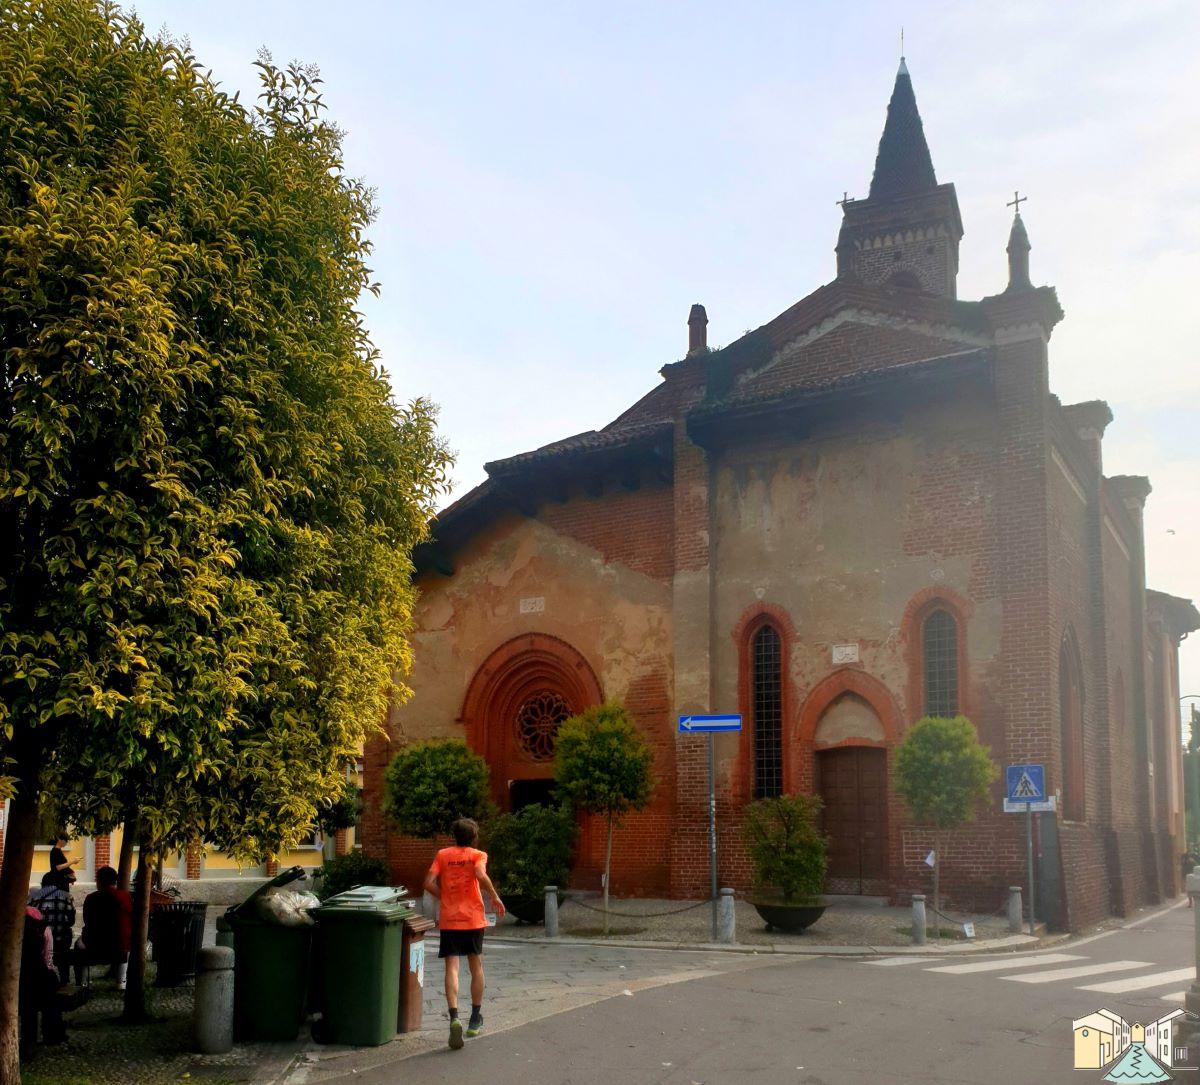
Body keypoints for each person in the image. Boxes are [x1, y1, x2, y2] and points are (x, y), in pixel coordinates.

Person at [423, 818, 505, 1050]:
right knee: (476, 966)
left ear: (454, 835)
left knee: (452, 967)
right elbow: (479, 874)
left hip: (450, 919)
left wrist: (445, 897)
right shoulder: (478, 855)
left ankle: (454, 1016)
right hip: (472, 918)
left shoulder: (443, 855)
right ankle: (475, 1018)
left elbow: (428, 883)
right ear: (474, 836)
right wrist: (494, 895)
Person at [73, 866, 133, 989]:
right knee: (124, 941)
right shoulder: (125, 896)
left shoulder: (91, 898)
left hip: (94, 945)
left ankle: (82, 982)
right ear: (115, 881)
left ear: (99, 881)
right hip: (120, 945)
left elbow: (87, 920)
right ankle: (121, 981)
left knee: (77, 945)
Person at [19, 905, 66, 1051]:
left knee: (28, 1008)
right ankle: (52, 1035)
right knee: (51, 999)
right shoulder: (44, 929)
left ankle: (28, 1040)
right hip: (40, 975)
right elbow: (48, 958)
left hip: (21, 976)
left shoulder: (10, 926)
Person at [28, 872, 76, 980]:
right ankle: (65, 977)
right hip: (61, 942)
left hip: (39, 942)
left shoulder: (33, 897)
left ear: (43, 883)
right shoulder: (66, 896)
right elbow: (71, 921)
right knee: (67, 935)